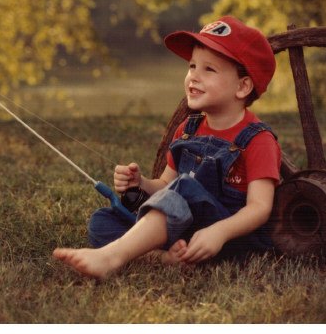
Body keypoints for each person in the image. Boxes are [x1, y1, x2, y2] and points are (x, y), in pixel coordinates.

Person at [53, 16, 281, 279]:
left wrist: (219, 232)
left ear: (242, 86)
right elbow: (164, 186)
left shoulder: (257, 139)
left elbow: (259, 208)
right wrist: (140, 184)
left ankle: (112, 257)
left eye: (209, 70)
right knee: (103, 221)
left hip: (227, 239)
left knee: (184, 186)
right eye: (192, 66)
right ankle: (164, 257)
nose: (194, 76)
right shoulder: (188, 128)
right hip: (182, 229)